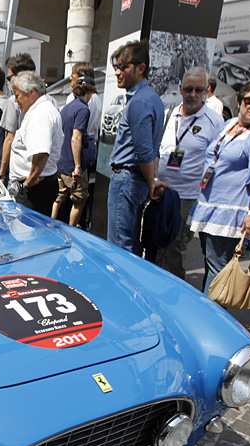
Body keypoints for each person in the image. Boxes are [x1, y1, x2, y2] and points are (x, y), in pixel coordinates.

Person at [189, 76, 250, 295]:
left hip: (231, 211)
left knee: (218, 269)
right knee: (211, 263)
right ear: (241, 100)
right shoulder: (229, 124)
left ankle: (210, 319)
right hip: (209, 205)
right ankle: (208, 309)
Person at [155, 67, 226, 279]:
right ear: (180, 89)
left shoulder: (214, 121)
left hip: (188, 195)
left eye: (198, 90)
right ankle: (153, 283)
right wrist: (155, 180)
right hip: (161, 190)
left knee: (177, 245)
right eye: (188, 89)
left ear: (206, 90)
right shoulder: (169, 114)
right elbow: (156, 149)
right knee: (157, 240)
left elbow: (215, 162)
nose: (192, 95)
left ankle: (174, 290)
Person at [107, 39, 167, 257]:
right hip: (133, 179)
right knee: (126, 240)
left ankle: (120, 289)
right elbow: (151, 149)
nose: (118, 72)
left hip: (128, 179)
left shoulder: (141, 101)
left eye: (123, 66)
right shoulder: (148, 98)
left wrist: (151, 182)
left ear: (141, 68)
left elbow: (145, 151)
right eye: (116, 67)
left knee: (120, 245)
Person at [8, 71, 63, 216]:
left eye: (18, 95)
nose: (16, 100)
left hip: (34, 189)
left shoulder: (40, 114)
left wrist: (29, 181)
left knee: (27, 234)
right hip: (36, 186)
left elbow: (41, 152)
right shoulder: (41, 110)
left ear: (31, 92)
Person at [51, 74, 95, 226]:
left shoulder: (66, 108)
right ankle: (72, 231)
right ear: (89, 91)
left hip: (61, 162)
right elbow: (76, 137)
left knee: (59, 197)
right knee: (80, 198)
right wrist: (78, 166)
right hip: (72, 164)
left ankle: (49, 225)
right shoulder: (83, 109)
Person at [0, 53, 36, 181]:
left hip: (20, 173)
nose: (8, 82)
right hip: (42, 171)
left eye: (10, 77)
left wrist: (2, 173)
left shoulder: (13, 101)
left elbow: (10, 138)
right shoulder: (49, 101)